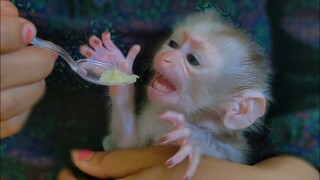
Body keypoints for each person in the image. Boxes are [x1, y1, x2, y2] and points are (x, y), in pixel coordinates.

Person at [1, 0, 319, 179]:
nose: (167, 57)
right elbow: (126, 147)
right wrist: (120, 91)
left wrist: (283, 175)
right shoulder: (159, 113)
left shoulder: (225, 144)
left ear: (238, 109)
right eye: (174, 43)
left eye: (193, 59)